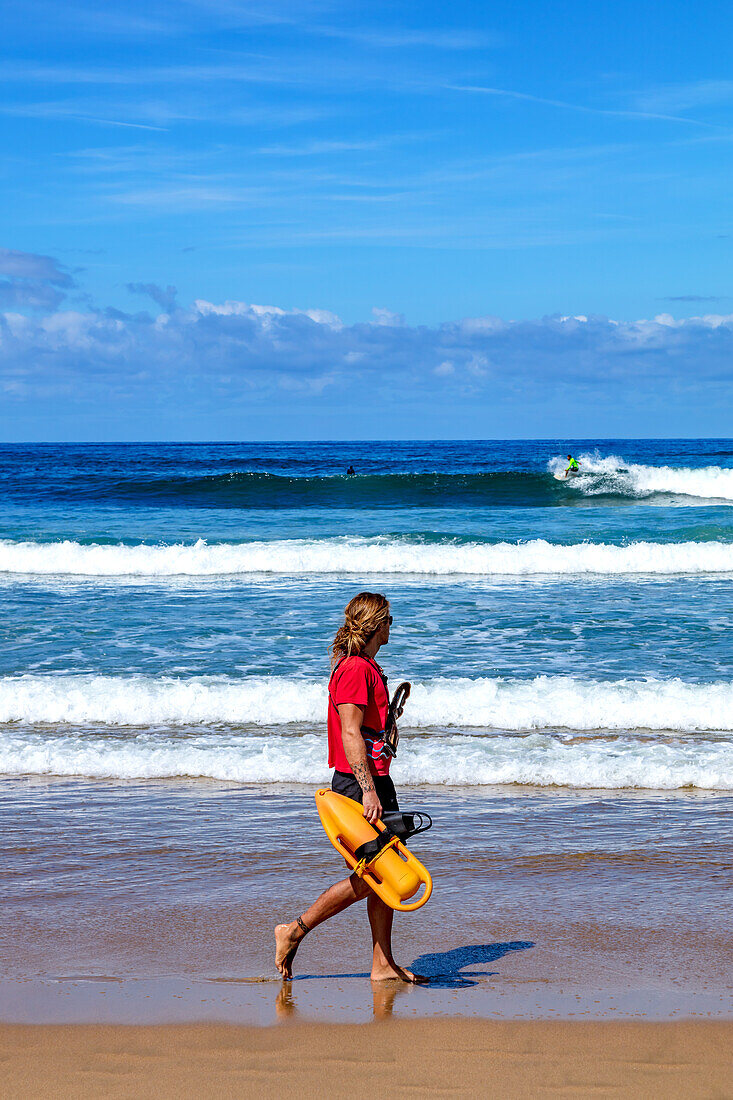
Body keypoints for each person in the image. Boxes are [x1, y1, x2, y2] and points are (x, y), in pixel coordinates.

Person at [274, 592, 424, 984]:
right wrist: (368, 790)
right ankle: (294, 929)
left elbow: (366, 730)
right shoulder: (355, 669)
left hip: (375, 780)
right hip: (359, 786)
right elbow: (349, 731)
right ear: (376, 624)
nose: (393, 624)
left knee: (382, 876)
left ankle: (382, 965)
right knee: (372, 876)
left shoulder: (367, 666)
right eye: (389, 618)